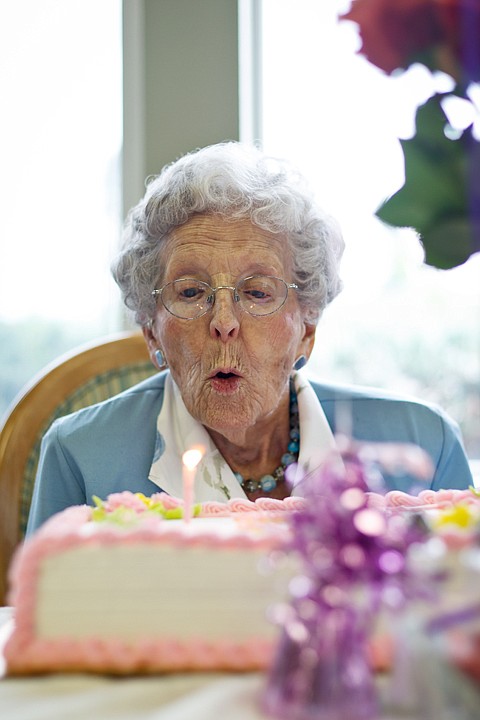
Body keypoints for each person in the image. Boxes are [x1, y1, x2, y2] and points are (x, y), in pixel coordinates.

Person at [27, 142, 473, 534]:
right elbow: (46, 624)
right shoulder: (80, 457)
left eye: (258, 292)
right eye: (190, 292)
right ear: (151, 330)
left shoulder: (424, 443)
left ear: (307, 329)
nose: (224, 321)